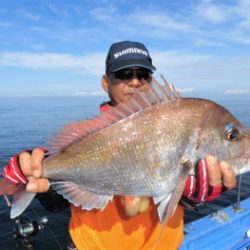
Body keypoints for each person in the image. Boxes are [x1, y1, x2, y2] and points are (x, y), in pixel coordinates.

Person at [3, 41, 237, 249]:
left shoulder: (175, 119)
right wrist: (38, 170)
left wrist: (190, 197)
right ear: (106, 82)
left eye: (143, 74)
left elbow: (173, 187)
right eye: (124, 73)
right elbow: (60, 202)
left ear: (151, 81)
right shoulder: (83, 134)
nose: (134, 81)